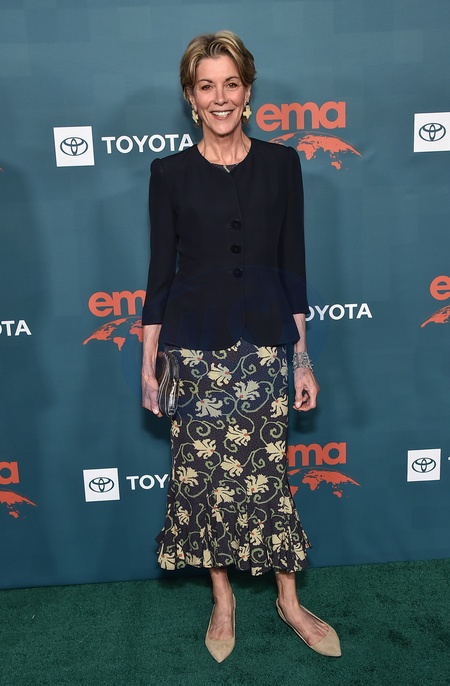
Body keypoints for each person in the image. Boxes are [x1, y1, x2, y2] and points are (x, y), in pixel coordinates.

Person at [141, 30, 341, 662]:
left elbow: (292, 265)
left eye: (231, 83)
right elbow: (159, 276)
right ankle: (222, 599)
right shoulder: (169, 173)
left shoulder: (282, 164)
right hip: (193, 351)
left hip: (263, 348)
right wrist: (149, 366)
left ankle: (289, 600)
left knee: (267, 477)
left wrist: (302, 359)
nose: (220, 97)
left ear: (248, 91)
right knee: (203, 481)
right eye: (207, 86)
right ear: (190, 97)